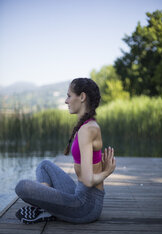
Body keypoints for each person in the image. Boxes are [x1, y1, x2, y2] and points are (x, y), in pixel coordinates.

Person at [15, 78, 116, 224]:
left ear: (82, 97)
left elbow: (88, 181)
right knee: (44, 165)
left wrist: (106, 172)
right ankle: (47, 207)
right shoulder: (87, 126)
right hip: (79, 194)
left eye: (69, 96)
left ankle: (47, 209)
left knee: (22, 186)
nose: (66, 101)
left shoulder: (88, 130)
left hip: (85, 207)